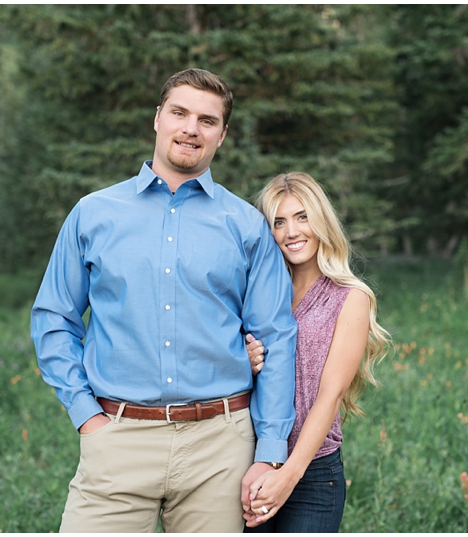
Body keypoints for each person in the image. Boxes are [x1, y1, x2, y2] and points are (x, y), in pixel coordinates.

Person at [30, 68, 298, 533]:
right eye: (179, 113)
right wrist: (85, 414)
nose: (191, 128)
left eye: (207, 120)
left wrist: (270, 450)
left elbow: (275, 336)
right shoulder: (93, 214)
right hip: (117, 438)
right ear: (158, 119)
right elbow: (55, 318)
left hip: (221, 445)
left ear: (222, 135)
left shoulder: (246, 225)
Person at [241, 172, 392, 532]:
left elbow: (330, 395)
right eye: (279, 222)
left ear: (321, 221)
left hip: (310, 475)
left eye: (302, 217)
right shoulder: (256, 295)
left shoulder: (349, 298)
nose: (291, 232)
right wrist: (242, 364)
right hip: (249, 462)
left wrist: (288, 477)